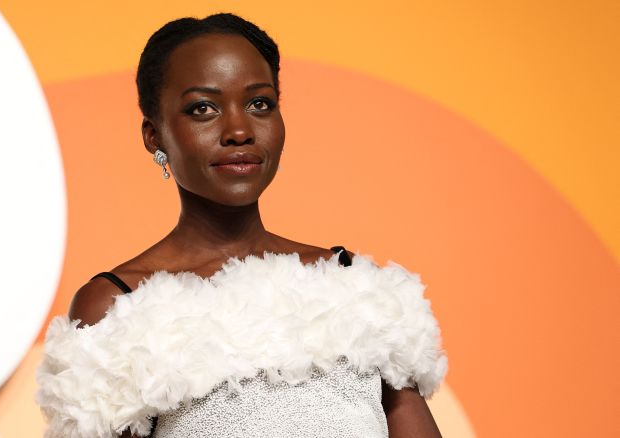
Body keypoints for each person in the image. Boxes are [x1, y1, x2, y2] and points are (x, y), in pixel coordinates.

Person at [36, 13, 447, 438]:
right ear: (154, 136)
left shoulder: (351, 285)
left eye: (259, 104)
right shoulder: (116, 306)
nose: (238, 130)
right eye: (203, 108)